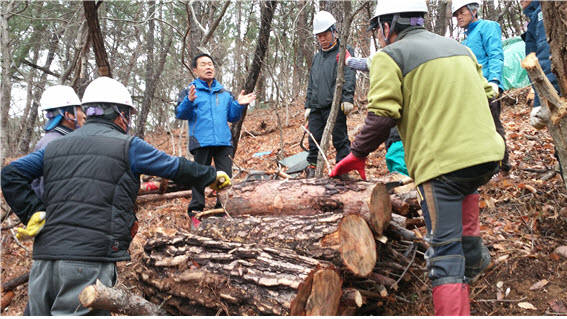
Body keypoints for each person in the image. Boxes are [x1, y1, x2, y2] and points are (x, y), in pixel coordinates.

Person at [329, 0, 504, 315]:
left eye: (378, 28)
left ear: (388, 24)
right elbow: (490, 97)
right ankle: (476, 261)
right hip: (486, 156)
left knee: (444, 253)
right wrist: (498, 144)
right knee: (466, 186)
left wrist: (356, 154)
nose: (379, 36)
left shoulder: (390, 56)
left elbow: (382, 115)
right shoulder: (460, 49)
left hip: (443, 169)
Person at [1, 76, 231, 316]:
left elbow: (10, 174)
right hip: (87, 261)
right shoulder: (127, 145)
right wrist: (210, 176)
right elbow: (174, 166)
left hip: (43, 262)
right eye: (128, 115)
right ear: (121, 114)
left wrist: (33, 211)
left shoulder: (55, 146)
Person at [176, 53, 255, 227]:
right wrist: (188, 101)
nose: (208, 67)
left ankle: (223, 210)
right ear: (195, 70)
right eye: (203, 64)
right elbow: (181, 114)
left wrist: (238, 104)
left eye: (211, 64)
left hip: (223, 142)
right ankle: (196, 212)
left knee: (225, 179)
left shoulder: (224, 93)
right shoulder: (191, 91)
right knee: (198, 178)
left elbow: (233, 117)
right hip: (201, 141)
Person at [452, 0, 511, 172]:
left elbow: (495, 54)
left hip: (487, 88)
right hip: (471, 90)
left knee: (493, 127)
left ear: (473, 10)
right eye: (456, 15)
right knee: (475, 131)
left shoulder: (488, 27)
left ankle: (504, 166)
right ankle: (485, 169)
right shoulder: (466, 38)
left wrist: (494, 81)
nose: (459, 17)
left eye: (462, 12)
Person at [304, 10, 356, 178]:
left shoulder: (344, 51)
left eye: (325, 34)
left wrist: (347, 98)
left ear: (334, 31)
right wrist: (308, 105)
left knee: (340, 140)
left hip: (335, 106)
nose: (322, 39)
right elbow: (312, 83)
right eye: (319, 36)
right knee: (314, 142)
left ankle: (343, 171)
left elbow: (348, 74)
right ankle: (312, 171)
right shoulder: (317, 58)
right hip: (317, 108)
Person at [520, 0, 563, 179]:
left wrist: (542, 103)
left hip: (559, 86)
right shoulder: (534, 16)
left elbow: (546, 60)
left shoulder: (542, 14)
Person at [31, 85, 86, 198]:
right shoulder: (60, 144)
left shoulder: (46, 140)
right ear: (68, 115)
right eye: (80, 110)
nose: (84, 115)